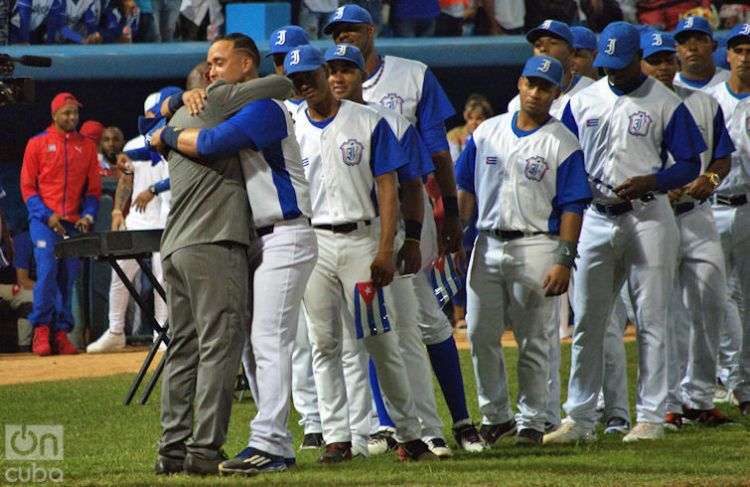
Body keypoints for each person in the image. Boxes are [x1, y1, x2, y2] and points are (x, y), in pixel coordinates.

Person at [154, 33, 317, 475]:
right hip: (225, 240)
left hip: (236, 238)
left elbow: (206, 137)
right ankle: (210, 449)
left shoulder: (226, 107)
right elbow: (279, 85)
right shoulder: (216, 101)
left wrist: (166, 120)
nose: (212, 71)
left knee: (199, 347)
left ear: (246, 65)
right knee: (231, 346)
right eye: (207, 66)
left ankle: (178, 450)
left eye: (219, 62)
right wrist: (172, 108)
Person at [326, 5, 484, 453]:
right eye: (336, 33)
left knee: (425, 318)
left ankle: (458, 420)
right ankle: (388, 423)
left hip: (408, 217)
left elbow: (435, 151)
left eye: (351, 30)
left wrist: (449, 211)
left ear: (370, 31)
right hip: (356, 225)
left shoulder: (411, 75)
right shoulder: (322, 95)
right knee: (374, 325)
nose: (344, 38)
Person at [543, 21, 706, 444]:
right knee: (589, 322)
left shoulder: (666, 102)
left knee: (652, 319)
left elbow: (690, 163)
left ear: (637, 58)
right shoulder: (582, 102)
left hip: (648, 214)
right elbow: (565, 159)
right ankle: (580, 417)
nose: (613, 72)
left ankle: (651, 414)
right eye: (607, 64)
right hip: (596, 216)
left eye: (621, 64)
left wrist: (653, 181)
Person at [285, 44, 435, 463]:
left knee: (380, 340)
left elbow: (389, 188)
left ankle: (408, 433)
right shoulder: (292, 125)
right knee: (323, 343)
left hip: (360, 240)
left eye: (313, 76)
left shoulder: (369, 122)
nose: (307, 85)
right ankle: (336, 438)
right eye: (298, 81)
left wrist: (386, 248)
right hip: (315, 243)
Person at [458, 55, 591, 446]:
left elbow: (572, 205)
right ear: (519, 83)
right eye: (531, 83)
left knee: (534, 339)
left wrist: (564, 259)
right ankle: (496, 416)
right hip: (486, 242)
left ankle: (533, 420)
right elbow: (465, 187)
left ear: (555, 93)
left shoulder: (562, 141)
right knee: (481, 334)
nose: (535, 92)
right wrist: (456, 235)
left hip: (537, 244)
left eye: (545, 87)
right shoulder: (487, 132)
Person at [638, 30, 735, 429]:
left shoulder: (703, 102)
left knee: (711, 300)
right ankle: (669, 402)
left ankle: (698, 396)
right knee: (662, 314)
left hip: (697, 215)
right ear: (641, 64)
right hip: (652, 214)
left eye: (667, 59)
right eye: (655, 59)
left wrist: (708, 181)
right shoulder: (635, 105)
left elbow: (722, 158)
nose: (662, 66)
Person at [86, 92, 170, 354]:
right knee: (120, 275)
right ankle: (115, 331)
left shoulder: (174, 141)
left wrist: (154, 190)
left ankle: (161, 333)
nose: (152, 117)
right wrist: (116, 212)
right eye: (150, 113)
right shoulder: (135, 145)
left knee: (162, 278)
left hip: (165, 217)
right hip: (137, 218)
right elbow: (125, 179)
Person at [20, 92, 101, 357]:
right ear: (54, 114)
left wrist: (88, 215)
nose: (72, 117)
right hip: (44, 222)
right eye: (67, 113)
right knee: (47, 272)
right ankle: (41, 329)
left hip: (73, 223)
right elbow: (28, 188)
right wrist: (46, 215)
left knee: (68, 278)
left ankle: (60, 332)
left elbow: (93, 191)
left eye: (75, 113)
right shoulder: (37, 143)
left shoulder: (87, 146)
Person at [705, 23, 750, 417]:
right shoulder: (710, 98)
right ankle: (725, 378)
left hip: (749, 206)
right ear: (728, 54)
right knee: (715, 297)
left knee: (747, 300)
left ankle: (744, 383)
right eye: (739, 49)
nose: (745, 55)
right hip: (712, 206)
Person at [673, 16, 730, 92]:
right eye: (683, 41)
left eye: (700, 40)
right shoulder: (669, 88)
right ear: (676, 49)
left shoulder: (733, 81)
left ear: (714, 46)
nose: (692, 47)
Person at [447, 94, 492, 162]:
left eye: (479, 118)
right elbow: (454, 163)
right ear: (466, 117)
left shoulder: (491, 136)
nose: (474, 122)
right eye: (471, 118)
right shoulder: (454, 135)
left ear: (487, 119)